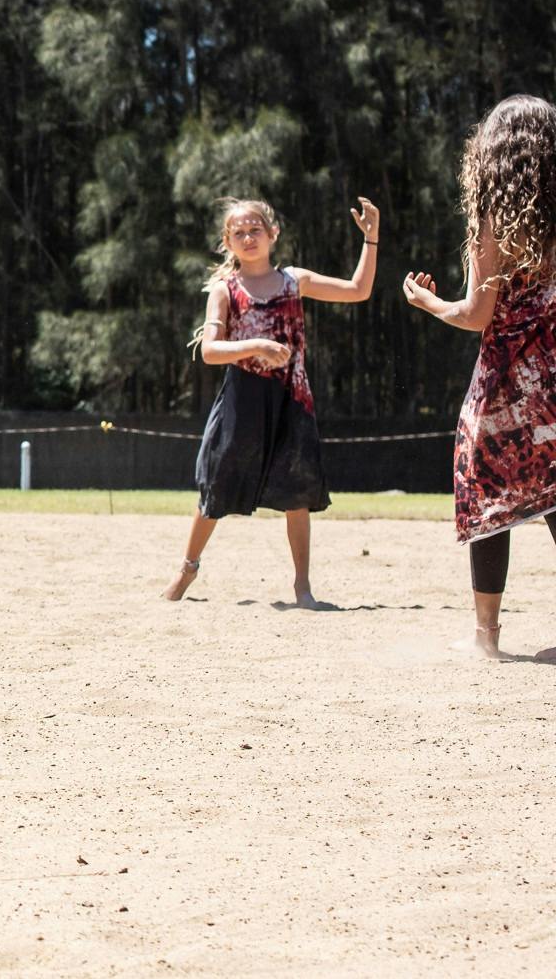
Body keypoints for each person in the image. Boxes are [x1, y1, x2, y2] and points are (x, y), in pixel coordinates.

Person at [164, 194, 379, 606]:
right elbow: (210, 351)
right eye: (239, 232)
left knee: (297, 493)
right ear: (227, 242)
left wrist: (371, 240)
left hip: (290, 399)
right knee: (216, 487)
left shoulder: (295, 281)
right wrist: (256, 345)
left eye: (255, 229)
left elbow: (358, 291)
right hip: (242, 402)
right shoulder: (224, 291)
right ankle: (187, 570)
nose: (248, 237)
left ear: (273, 234)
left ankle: (302, 586)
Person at [405, 95, 556, 658]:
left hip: (507, 385)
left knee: (487, 493)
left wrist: (428, 302)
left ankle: (486, 638)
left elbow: (476, 315)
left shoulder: (493, 219)